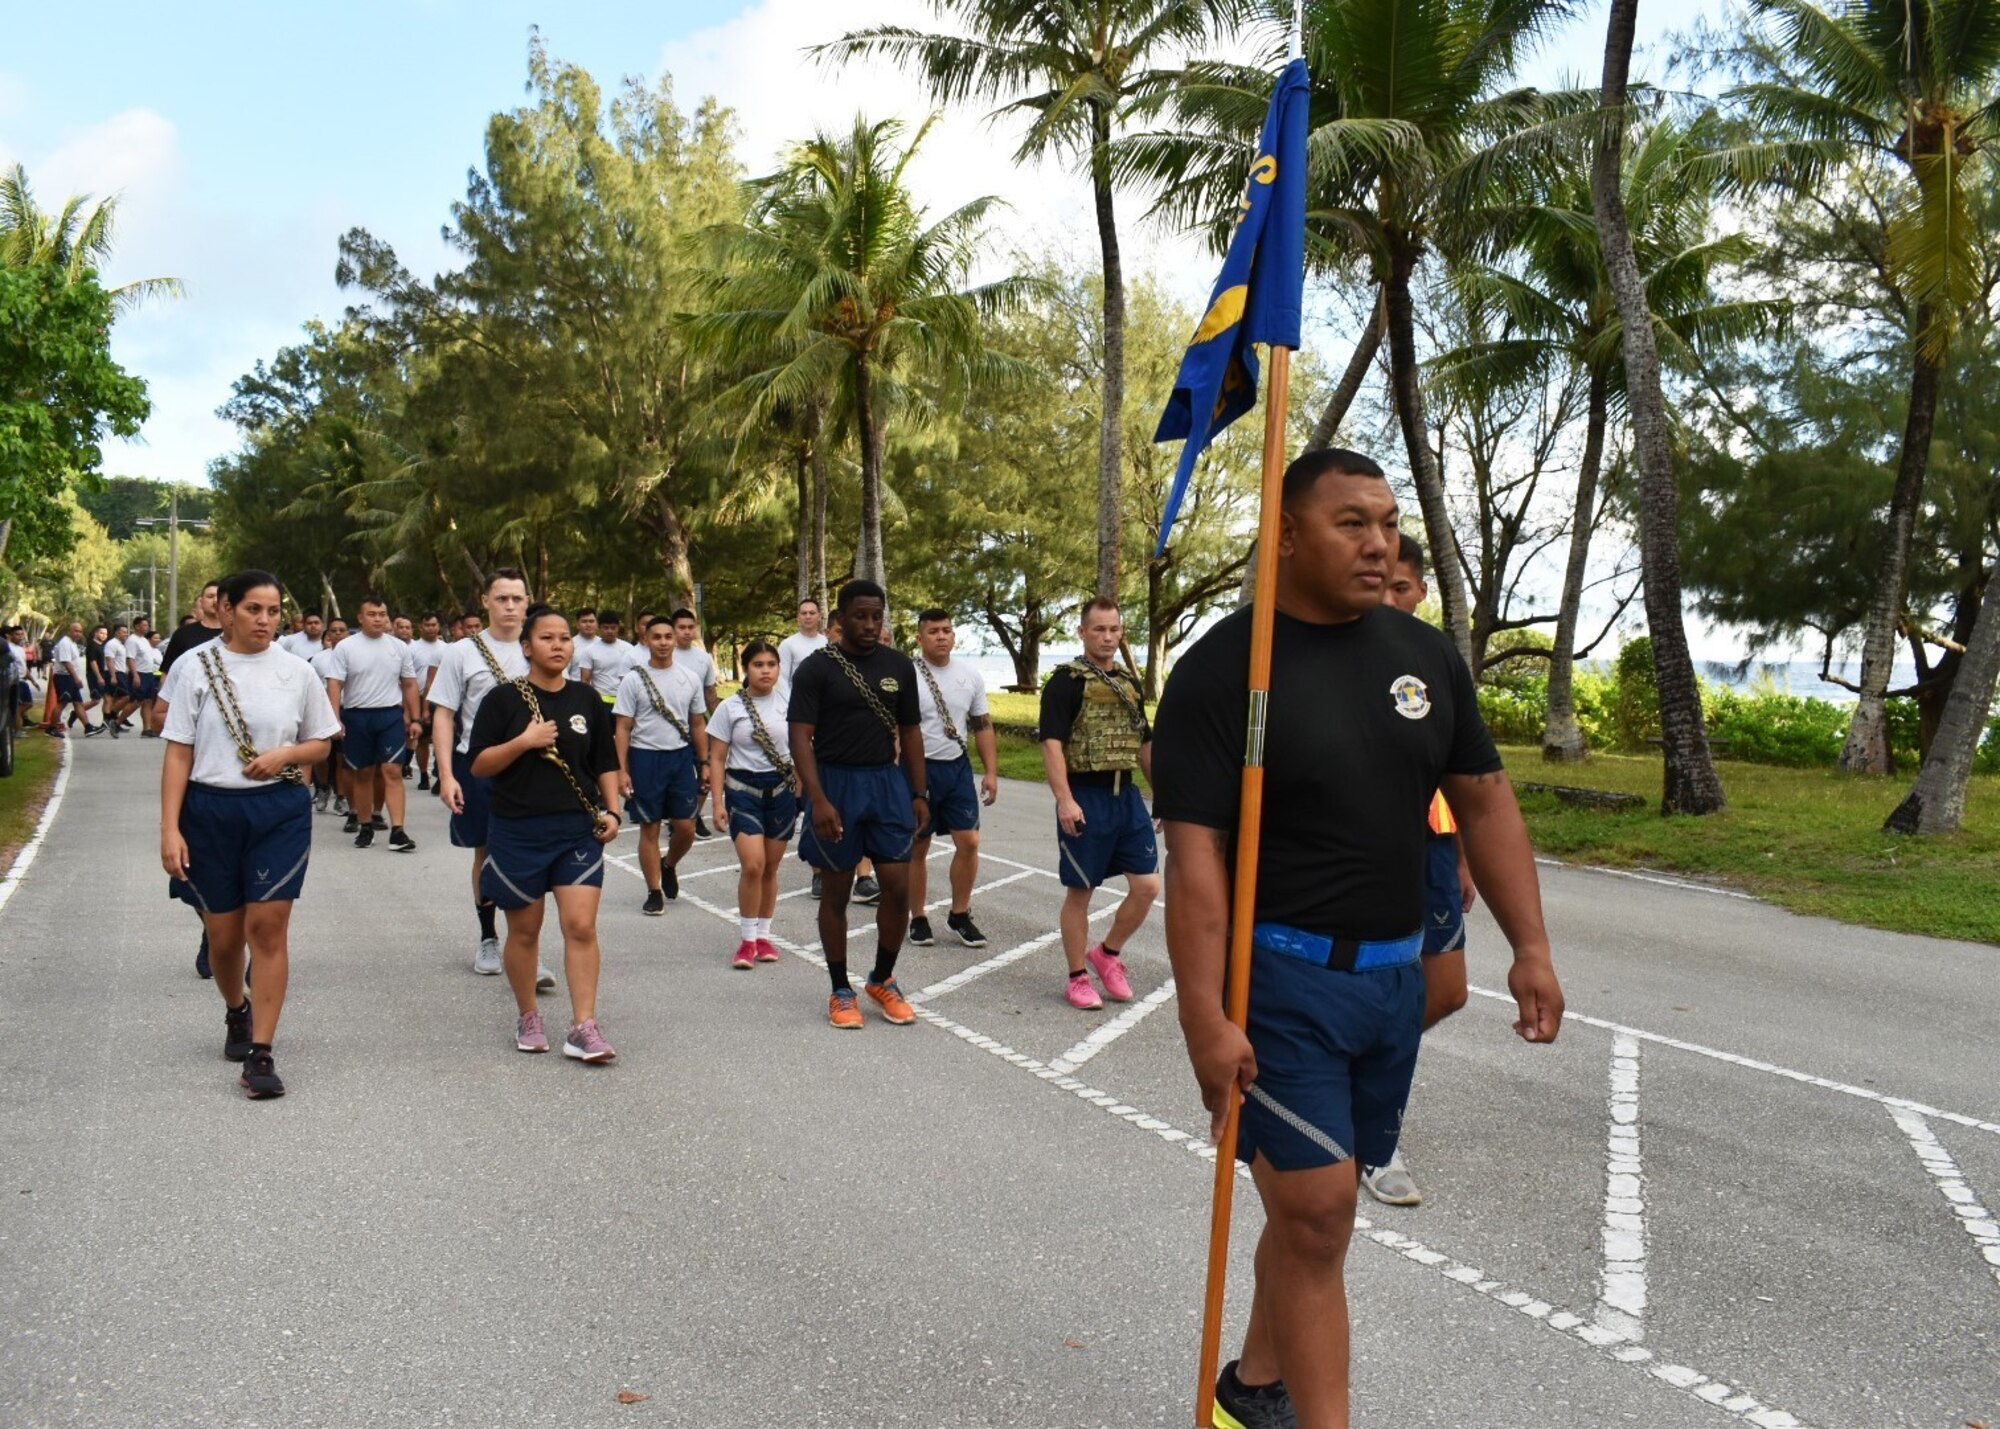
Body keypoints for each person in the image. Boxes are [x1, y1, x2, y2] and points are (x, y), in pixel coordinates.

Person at [1152, 448, 1565, 1429]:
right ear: (1285, 535)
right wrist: (1202, 1016)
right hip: (1280, 981)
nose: (1379, 542)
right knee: (1320, 1212)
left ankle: (1253, 1384)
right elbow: (1195, 860)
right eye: (1351, 522)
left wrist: (1530, 945)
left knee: (1311, 1219)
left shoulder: (1422, 658)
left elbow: (1485, 801)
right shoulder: (1224, 670)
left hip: (1393, 983)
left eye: (1386, 520)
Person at [158, 569, 341, 1099]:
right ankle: (235, 1010)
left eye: (273, 611)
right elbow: (178, 752)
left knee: (268, 926)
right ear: (227, 610)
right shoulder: (194, 666)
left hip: (278, 809)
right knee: (224, 936)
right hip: (209, 809)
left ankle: (261, 1052)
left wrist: (287, 753)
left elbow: (323, 743)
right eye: (253, 609)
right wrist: (170, 828)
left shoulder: (297, 671)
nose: (265, 620)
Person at [1359, 536, 1477, 1209]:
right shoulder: (1346, 656)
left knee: (1448, 990)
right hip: (1372, 849)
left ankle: (1364, 1075)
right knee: (1383, 991)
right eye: (1381, 589)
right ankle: (1379, 1142)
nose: (1389, 601)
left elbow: (1460, 769)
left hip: (1433, 843)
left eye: (1401, 589)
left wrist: (1460, 853)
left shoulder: (1435, 662)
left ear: (1421, 592)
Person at [468, 604, 622, 1063]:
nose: (559, 645)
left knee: (580, 926)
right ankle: (528, 1015)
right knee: (526, 931)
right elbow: (479, 765)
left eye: (565, 638)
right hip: (517, 830)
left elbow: (605, 762)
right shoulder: (503, 700)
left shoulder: (586, 699)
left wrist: (613, 810)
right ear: (527, 647)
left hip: (575, 830)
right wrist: (523, 742)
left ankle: (584, 1026)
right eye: (548, 638)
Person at [787, 579, 927, 1031]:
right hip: (836, 783)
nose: (869, 625)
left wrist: (919, 792)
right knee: (837, 889)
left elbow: (910, 733)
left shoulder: (899, 666)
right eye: (860, 616)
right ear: (841, 619)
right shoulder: (816, 668)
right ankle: (840, 989)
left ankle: (882, 978)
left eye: (876, 616)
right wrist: (818, 798)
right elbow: (799, 737)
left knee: (898, 886)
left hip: (886, 783)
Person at [431, 569, 552, 989]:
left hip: (534, 768)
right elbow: (444, 715)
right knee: (486, 851)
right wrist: (446, 774)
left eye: (517, 599)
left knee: (531, 855)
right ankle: (488, 938)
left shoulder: (539, 646)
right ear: (485, 601)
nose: (510, 607)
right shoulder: (461, 652)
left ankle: (529, 949)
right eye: (502, 598)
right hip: (479, 766)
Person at [1038, 599, 1158, 1010]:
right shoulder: (1065, 682)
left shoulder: (1128, 683)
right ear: (1083, 633)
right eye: (1098, 630)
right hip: (1085, 797)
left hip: (1126, 797)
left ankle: (1107, 954)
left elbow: (1144, 743)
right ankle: (1077, 977)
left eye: (1113, 630)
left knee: (1147, 886)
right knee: (1081, 892)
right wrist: (1064, 800)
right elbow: (1051, 743)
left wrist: (1161, 796)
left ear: (1121, 633)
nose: (1107, 637)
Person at [907, 609, 998, 949]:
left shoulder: (969, 676)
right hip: (919, 768)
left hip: (956, 767)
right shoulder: (908, 675)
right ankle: (917, 917)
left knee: (970, 842)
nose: (941, 636)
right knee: (919, 844)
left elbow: (982, 725)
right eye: (933, 631)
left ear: (954, 636)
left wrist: (990, 771)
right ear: (920, 638)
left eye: (946, 630)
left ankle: (959, 914)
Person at [706, 641, 795, 969]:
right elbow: (716, 758)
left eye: (771, 664)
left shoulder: (790, 703)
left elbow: (802, 747)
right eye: (758, 664)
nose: (766, 670)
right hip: (743, 792)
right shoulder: (730, 708)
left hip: (782, 790)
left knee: (771, 868)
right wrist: (717, 802)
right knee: (753, 865)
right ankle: (746, 940)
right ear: (746, 669)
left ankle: (763, 935)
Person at [612, 615, 707, 913]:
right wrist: (621, 769)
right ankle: (653, 890)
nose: (664, 642)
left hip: (679, 758)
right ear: (646, 640)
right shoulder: (633, 679)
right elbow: (623, 727)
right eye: (657, 637)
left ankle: (669, 864)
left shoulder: (689, 678)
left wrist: (704, 762)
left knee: (686, 826)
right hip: (645, 758)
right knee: (649, 828)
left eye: (668, 636)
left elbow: (698, 723)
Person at [326, 597, 421, 852]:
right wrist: (334, 719)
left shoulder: (399, 648)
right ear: (360, 618)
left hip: (390, 716)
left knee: (392, 771)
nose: (378, 618)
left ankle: (398, 831)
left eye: (382, 613)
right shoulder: (345, 647)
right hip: (357, 716)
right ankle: (365, 825)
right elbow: (335, 684)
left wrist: (415, 718)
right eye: (372, 614)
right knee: (363, 773)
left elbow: (410, 683)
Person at [671, 609, 721, 840]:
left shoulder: (703, 658)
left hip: (698, 724)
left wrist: (720, 721)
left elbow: (710, 692)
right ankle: (676, 819)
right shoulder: (664, 654)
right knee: (676, 777)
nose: (687, 632)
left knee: (706, 772)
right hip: (670, 726)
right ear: (673, 629)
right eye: (682, 627)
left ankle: (694, 815)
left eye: (691, 627)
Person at [408, 612, 449, 790]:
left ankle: (442, 776)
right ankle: (424, 775)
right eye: (427, 625)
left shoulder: (447, 648)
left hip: (442, 698)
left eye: (434, 625)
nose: (431, 628)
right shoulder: (412, 649)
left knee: (442, 739)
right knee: (422, 740)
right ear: (420, 627)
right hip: (418, 697)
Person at [161, 582, 224, 675]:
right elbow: (167, 673)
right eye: (210, 596)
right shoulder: (183, 634)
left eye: (219, 596)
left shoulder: (236, 633)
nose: (215, 600)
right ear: (201, 602)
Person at [48, 621, 98, 737]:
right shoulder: (65, 643)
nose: (78, 634)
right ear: (69, 631)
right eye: (75, 631)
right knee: (62, 703)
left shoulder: (73, 644)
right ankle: (52, 727)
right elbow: (66, 662)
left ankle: (88, 727)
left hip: (71, 677)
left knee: (78, 703)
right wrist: (76, 678)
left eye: (80, 631)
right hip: (64, 677)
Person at [577, 611, 638, 706]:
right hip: (599, 701)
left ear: (618, 628)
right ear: (599, 628)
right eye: (605, 628)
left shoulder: (629, 649)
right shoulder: (589, 650)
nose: (609, 631)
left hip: (623, 700)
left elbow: (635, 676)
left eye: (613, 628)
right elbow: (585, 680)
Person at [778, 597, 828, 685]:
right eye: (804, 613)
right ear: (798, 617)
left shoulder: (826, 642)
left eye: (812, 613)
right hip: (796, 697)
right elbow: (782, 679)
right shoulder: (787, 644)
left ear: (819, 616)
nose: (808, 616)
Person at [565, 608, 599, 681]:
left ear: (597, 624)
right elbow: (564, 672)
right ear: (577, 624)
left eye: (591, 621)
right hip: (575, 689)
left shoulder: (603, 644)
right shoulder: (569, 644)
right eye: (584, 621)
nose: (588, 624)